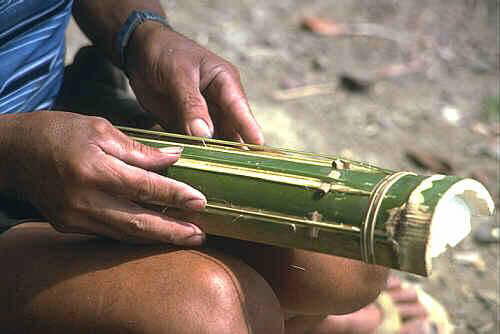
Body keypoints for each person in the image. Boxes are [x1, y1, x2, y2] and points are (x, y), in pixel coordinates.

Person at [0, 1, 437, 333]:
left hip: (61, 120)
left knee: (343, 265)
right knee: (210, 313)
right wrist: (13, 151)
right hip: (20, 147)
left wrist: (142, 32)